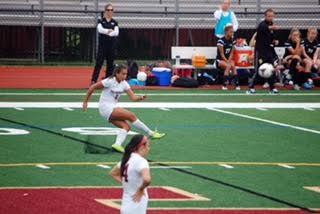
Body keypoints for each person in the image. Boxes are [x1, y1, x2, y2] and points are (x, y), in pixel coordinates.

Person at [83, 64, 165, 153]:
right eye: (123, 74)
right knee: (131, 115)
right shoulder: (109, 81)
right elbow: (92, 87)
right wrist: (85, 102)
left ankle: (117, 144)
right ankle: (151, 133)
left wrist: (140, 97)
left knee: (126, 127)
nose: (125, 76)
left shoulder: (125, 84)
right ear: (117, 73)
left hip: (112, 108)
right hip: (105, 108)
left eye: (126, 74)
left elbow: (133, 98)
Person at [110, 135, 151, 214]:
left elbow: (113, 173)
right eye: (148, 146)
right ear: (142, 146)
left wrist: (129, 183)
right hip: (136, 207)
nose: (149, 149)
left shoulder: (127, 159)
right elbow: (147, 179)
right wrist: (140, 189)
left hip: (126, 206)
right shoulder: (141, 161)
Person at [247, 8, 280, 95]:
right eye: (269, 16)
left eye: (272, 16)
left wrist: (274, 41)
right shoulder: (262, 25)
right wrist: (272, 27)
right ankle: (251, 88)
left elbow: (271, 38)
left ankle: (272, 88)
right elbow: (264, 28)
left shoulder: (271, 25)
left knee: (271, 70)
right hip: (260, 52)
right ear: (265, 16)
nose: (270, 18)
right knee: (259, 70)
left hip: (269, 52)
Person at [91, 4, 119, 85]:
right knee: (98, 63)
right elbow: (100, 30)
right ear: (105, 11)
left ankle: (107, 81)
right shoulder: (101, 21)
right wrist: (108, 31)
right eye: (108, 10)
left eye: (111, 10)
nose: (110, 11)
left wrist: (108, 33)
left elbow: (116, 32)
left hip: (111, 46)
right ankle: (94, 80)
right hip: (102, 46)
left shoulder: (115, 22)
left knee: (110, 64)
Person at [216, 25, 240, 90]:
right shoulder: (221, 41)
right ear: (226, 32)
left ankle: (237, 84)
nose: (232, 33)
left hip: (228, 59)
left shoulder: (233, 41)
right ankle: (224, 85)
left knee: (233, 65)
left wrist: (229, 60)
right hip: (220, 60)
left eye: (233, 32)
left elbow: (232, 52)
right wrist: (227, 61)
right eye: (231, 32)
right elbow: (221, 54)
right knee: (228, 66)